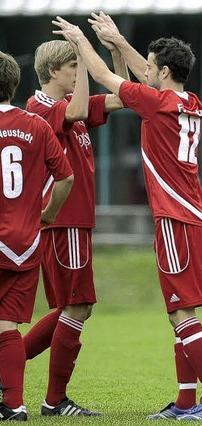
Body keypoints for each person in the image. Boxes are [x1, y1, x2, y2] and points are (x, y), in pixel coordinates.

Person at [52, 15, 202, 420]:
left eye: (151, 65)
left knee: (181, 312)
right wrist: (117, 40)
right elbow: (146, 77)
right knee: (180, 312)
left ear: (164, 71)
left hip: (175, 219)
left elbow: (102, 75)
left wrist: (83, 42)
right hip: (197, 216)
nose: (146, 70)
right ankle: (187, 402)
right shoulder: (191, 101)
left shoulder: (157, 102)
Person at [22, 36, 124, 417]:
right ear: (53, 71)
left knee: (73, 306)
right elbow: (80, 106)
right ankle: (54, 400)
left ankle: (7, 364)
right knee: (78, 305)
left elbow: (121, 97)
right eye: (73, 68)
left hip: (75, 221)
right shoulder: (40, 107)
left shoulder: (67, 106)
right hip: (63, 221)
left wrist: (113, 53)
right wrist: (83, 51)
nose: (79, 74)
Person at [0, 50, 74, 421]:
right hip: (25, 241)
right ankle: (14, 405)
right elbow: (67, 177)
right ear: (14, 84)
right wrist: (47, 215)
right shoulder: (36, 125)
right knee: (7, 324)